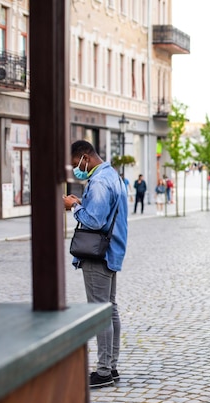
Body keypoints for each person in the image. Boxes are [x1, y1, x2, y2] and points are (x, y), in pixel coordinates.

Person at [62, 140, 128, 389]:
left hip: (97, 253)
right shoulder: (113, 176)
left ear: (84, 158)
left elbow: (95, 220)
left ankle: (102, 372)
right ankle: (111, 366)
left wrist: (74, 206)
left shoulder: (99, 181)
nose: (75, 169)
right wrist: (83, 202)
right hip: (112, 251)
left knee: (100, 311)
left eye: (75, 164)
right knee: (110, 309)